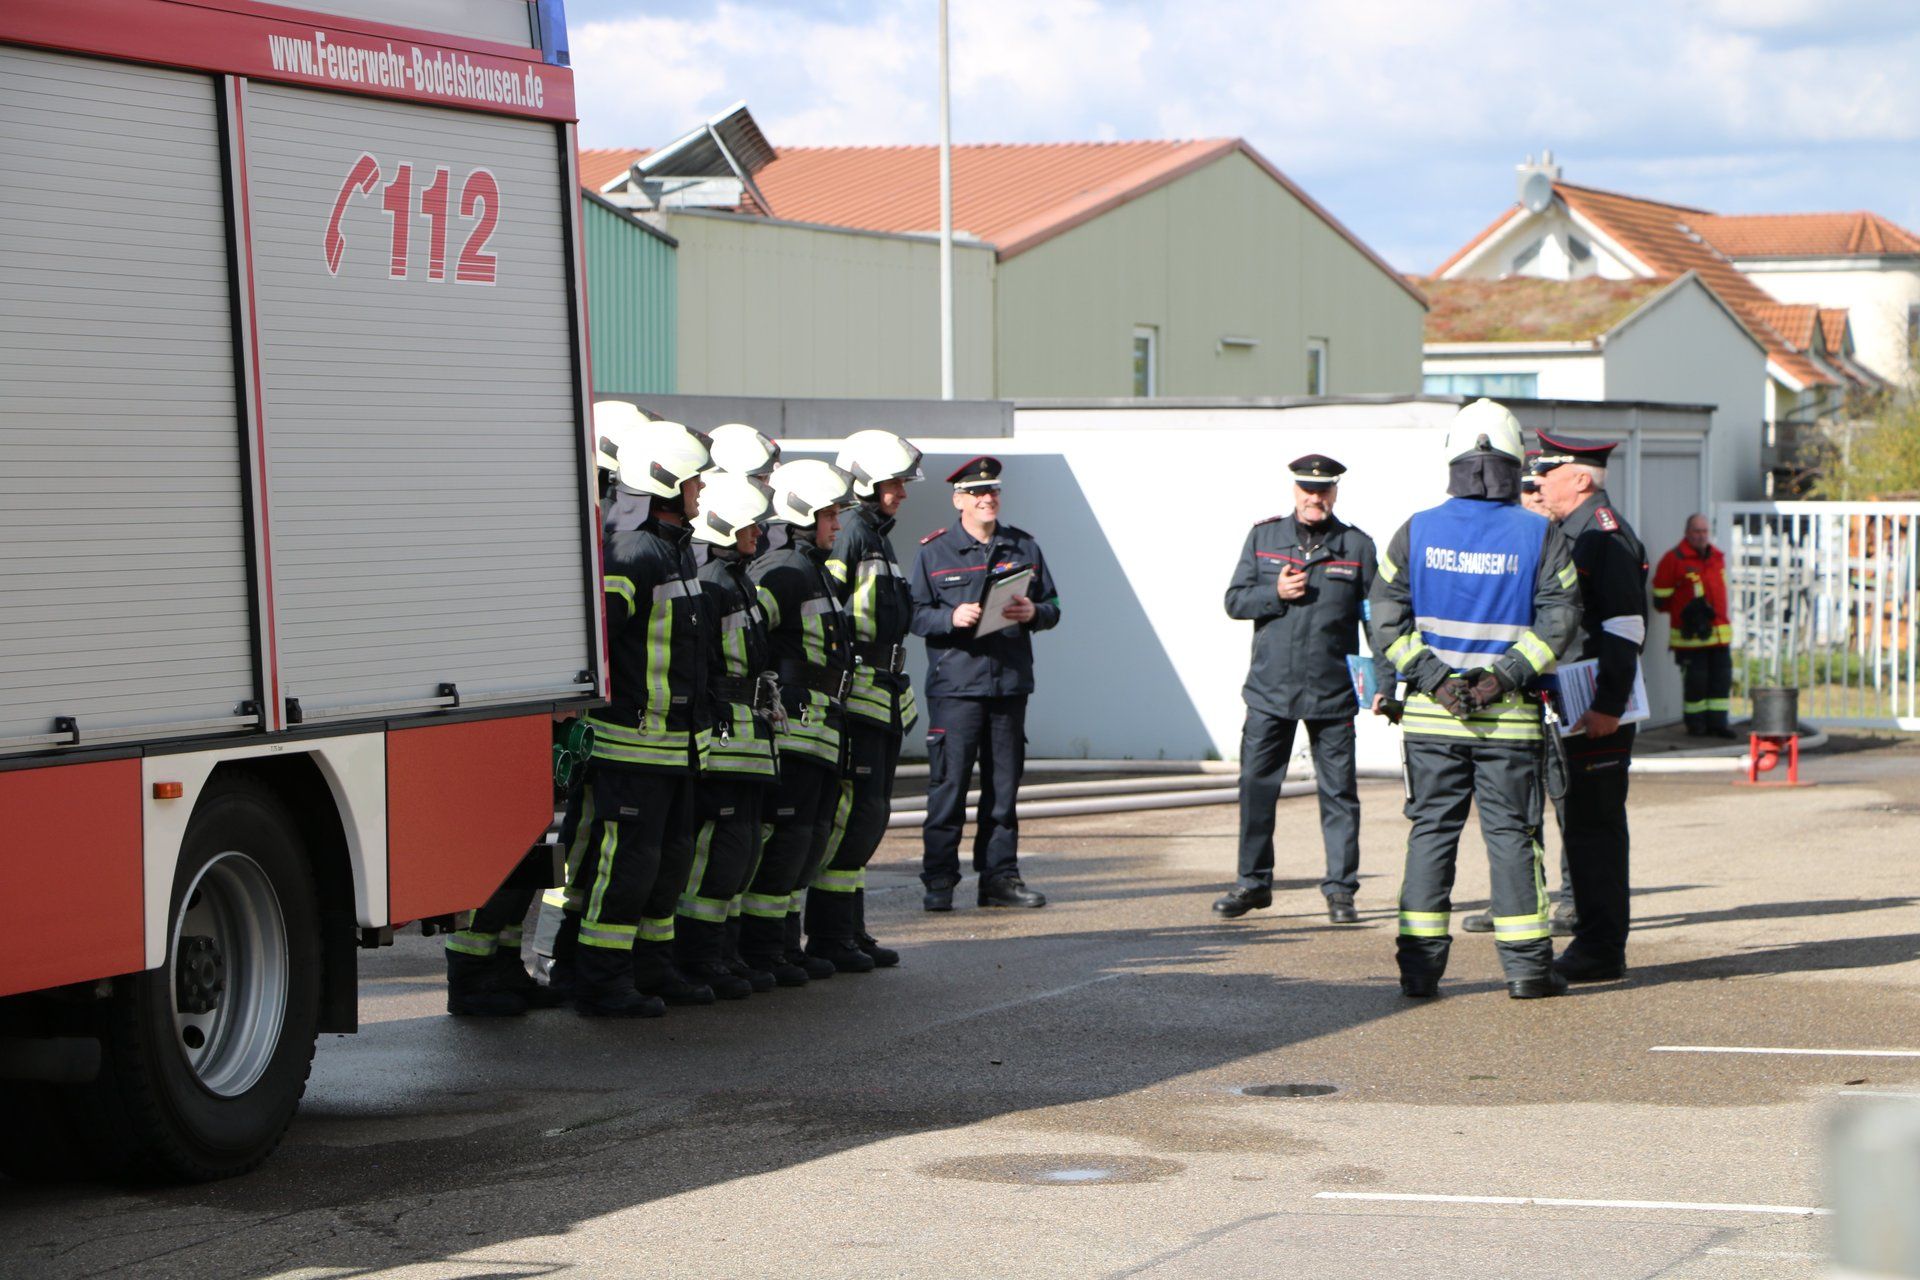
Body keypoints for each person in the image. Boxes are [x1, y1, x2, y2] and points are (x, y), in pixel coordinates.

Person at [1367, 399, 1581, 1000]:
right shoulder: (1541, 534)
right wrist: (1501, 679)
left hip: (1433, 718)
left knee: (1431, 833)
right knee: (1513, 838)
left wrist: (1435, 678)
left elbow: (1384, 617)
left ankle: (1418, 973)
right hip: (1507, 721)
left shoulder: (1416, 529)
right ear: (1516, 463)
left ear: (1452, 460)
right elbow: (1560, 621)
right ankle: (1527, 973)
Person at [550, 420, 717, 1016]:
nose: (701, 490)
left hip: (673, 748)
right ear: (667, 483)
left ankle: (647, 968)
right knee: (624, 867)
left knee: (664, 866)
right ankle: (600, 981)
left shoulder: (673, 553)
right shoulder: (632, 553)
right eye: (694, 480)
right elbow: (598, 641)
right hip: (630, 745)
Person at [1215, 454, 1381, 925]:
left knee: (1339, 794)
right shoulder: (1264, 537)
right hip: (1270, 691)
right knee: (1256, 788)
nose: (1316, 498)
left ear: (1335, 493)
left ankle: (1341, 891)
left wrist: (1381, 686)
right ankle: (1252, 883)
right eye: (1308, 489)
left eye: (1324, 490)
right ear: (1295, 491)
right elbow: (1234, 601)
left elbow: (1377, 623)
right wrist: (1275, 595)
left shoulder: (1357, 546)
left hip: (1332, 693)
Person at [909, 456, 1062, 911]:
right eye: (977, 493)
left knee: (1003, 790)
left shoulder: (1023, 547)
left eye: (992, 491)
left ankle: (999, 878)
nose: (987, 498)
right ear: (959, 500)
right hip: (956, 686)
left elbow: (1052, 605)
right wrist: (950, 616)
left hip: (1009, 685)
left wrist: (1034, 613)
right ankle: (939, 881)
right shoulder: (933, 551)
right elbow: (914, 615)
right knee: (948, 788)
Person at [1533, 431, 1649, 983]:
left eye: (1548, 471)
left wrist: (1608, 706)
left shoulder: (1604, 537)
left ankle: (1602, 948)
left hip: (1596, 707)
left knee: (1597, 827)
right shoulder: (1569, 531)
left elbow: (1626, 627)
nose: (1538, 481)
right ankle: (1595, 941)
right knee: (1581, 823)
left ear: (1581, 478)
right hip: (1570, 700)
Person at [809, 430, 925, 968]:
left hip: (881, 695)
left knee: (869, 816)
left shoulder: (875, 534)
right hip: (857, 697)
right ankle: (831, 935)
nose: (901, 492)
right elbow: (829, 616)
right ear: (866, 481)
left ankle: (850, 928)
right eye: (894, 482)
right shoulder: (854, 532)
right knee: (853, 815)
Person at [741, 459, 859, 984]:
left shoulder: (813, 569)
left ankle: (784, 944)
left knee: (807, 840)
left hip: (819, 731)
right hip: (792, 733)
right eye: (830, 515)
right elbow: (744, 644)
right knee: (786, 838)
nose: (837, 526)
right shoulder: (780, 570)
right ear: (803, 515)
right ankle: (762, 948)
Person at [1463, 451, 1578, 937]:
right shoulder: (1504, 545)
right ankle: (1511, 898)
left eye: (1539, 490)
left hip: (1554, 693)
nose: (1533, 498)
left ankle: (1572, 899)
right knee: (1508, 811)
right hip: (1503, 699)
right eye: (1525, 490)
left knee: (1565, 801)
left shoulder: (1558, 545)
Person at [678, 471, 781, 1000]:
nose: (759, 535)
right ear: (724, 528)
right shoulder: (715, 583)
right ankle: (700, 958)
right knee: (716, 852)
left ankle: (724, 952)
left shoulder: (737, 578)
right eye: (750, 527)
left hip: (749, 738)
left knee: (739, 850)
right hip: (724, 739)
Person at [1652, 513, 1735, 738]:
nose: (1701, 536)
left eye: (1704, 531)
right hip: (1690, 638)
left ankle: (1718, 724)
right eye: (1697, 531)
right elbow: (1660, 599)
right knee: (1696, 684)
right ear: (1687, 532)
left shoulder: (1717, 557)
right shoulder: (1674, 559)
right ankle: (1696, 726)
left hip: (1719, 635)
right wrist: (1686, 613)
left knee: (1721, 682)